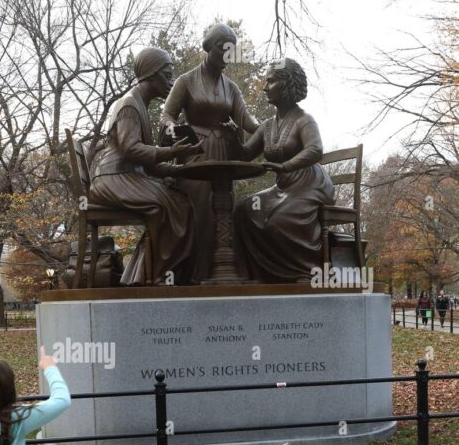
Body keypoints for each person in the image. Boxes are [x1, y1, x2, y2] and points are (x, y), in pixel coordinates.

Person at [89, 47, 203, 286]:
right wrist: (172, 152)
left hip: (128, 175)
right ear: (151, 74)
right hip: (113, 177)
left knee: (181, 203)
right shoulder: (130, 105)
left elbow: (147, 165)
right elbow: (131, 149)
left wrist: (176, 169)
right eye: (167, 75)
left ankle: (147, 275)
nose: (171, 82)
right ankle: (159, 276)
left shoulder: (140, 105)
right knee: (169, 207)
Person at [160, 23, 260, 282]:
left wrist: (268, 128)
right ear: (208, 47)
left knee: (224, 207)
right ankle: (194, 274)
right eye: (221, 47)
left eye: (231, 49)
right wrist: (174, 131)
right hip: (195, 152)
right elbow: (166, 115)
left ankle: (223, 270)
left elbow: (248, 121)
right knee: (200, 208)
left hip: (223, 154)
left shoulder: (232, 88)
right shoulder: (186, 81)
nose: (227, 53)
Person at [233, 58, 335, 283]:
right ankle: (261, 274)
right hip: (283, 188)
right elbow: (245, 153)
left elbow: (315, 149)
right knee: (242, 211)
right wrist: (231, 135)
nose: (264, 87)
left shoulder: (304, 120)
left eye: (270, 81)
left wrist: (285, 166)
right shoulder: (268, 126)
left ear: (287, 84)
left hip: (309, 185)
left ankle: (306, 272)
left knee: (278, 220)